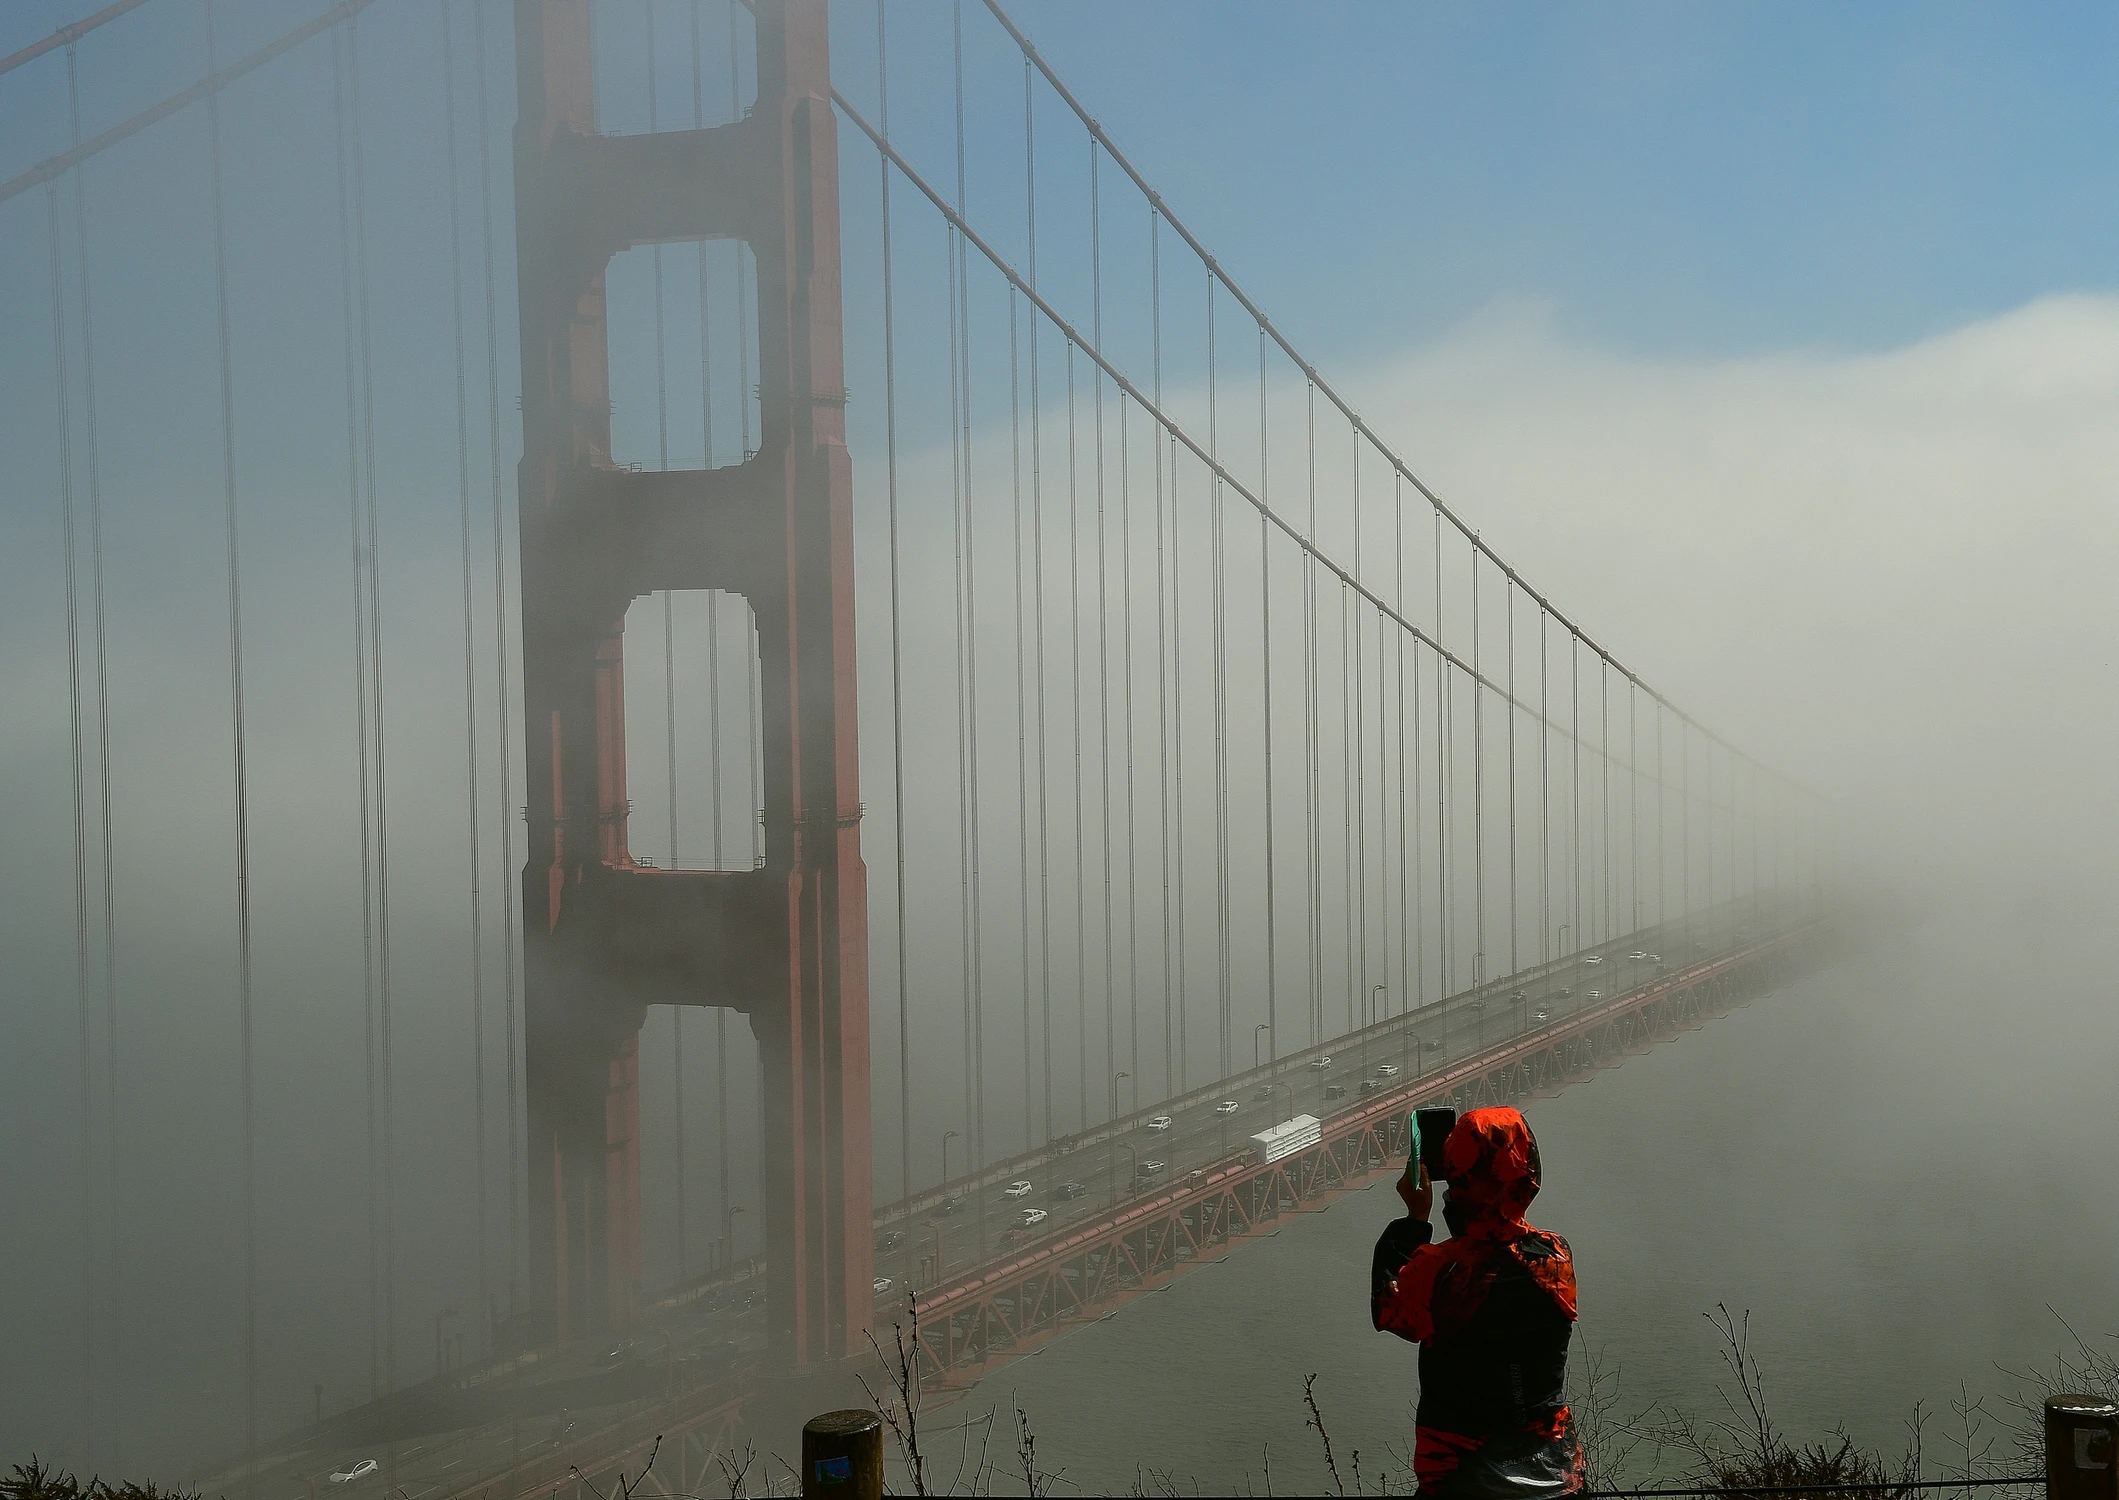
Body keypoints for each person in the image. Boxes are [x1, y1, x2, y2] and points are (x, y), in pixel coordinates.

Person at [1371, 1106, 1583, 1497]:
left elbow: (1390, 1310)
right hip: (1554, 1475)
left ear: (1458, 1178)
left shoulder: (1435, 1269)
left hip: (1460, 1479)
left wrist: (1416, 1217)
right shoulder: (1556, 1256)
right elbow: (1492, 1251)